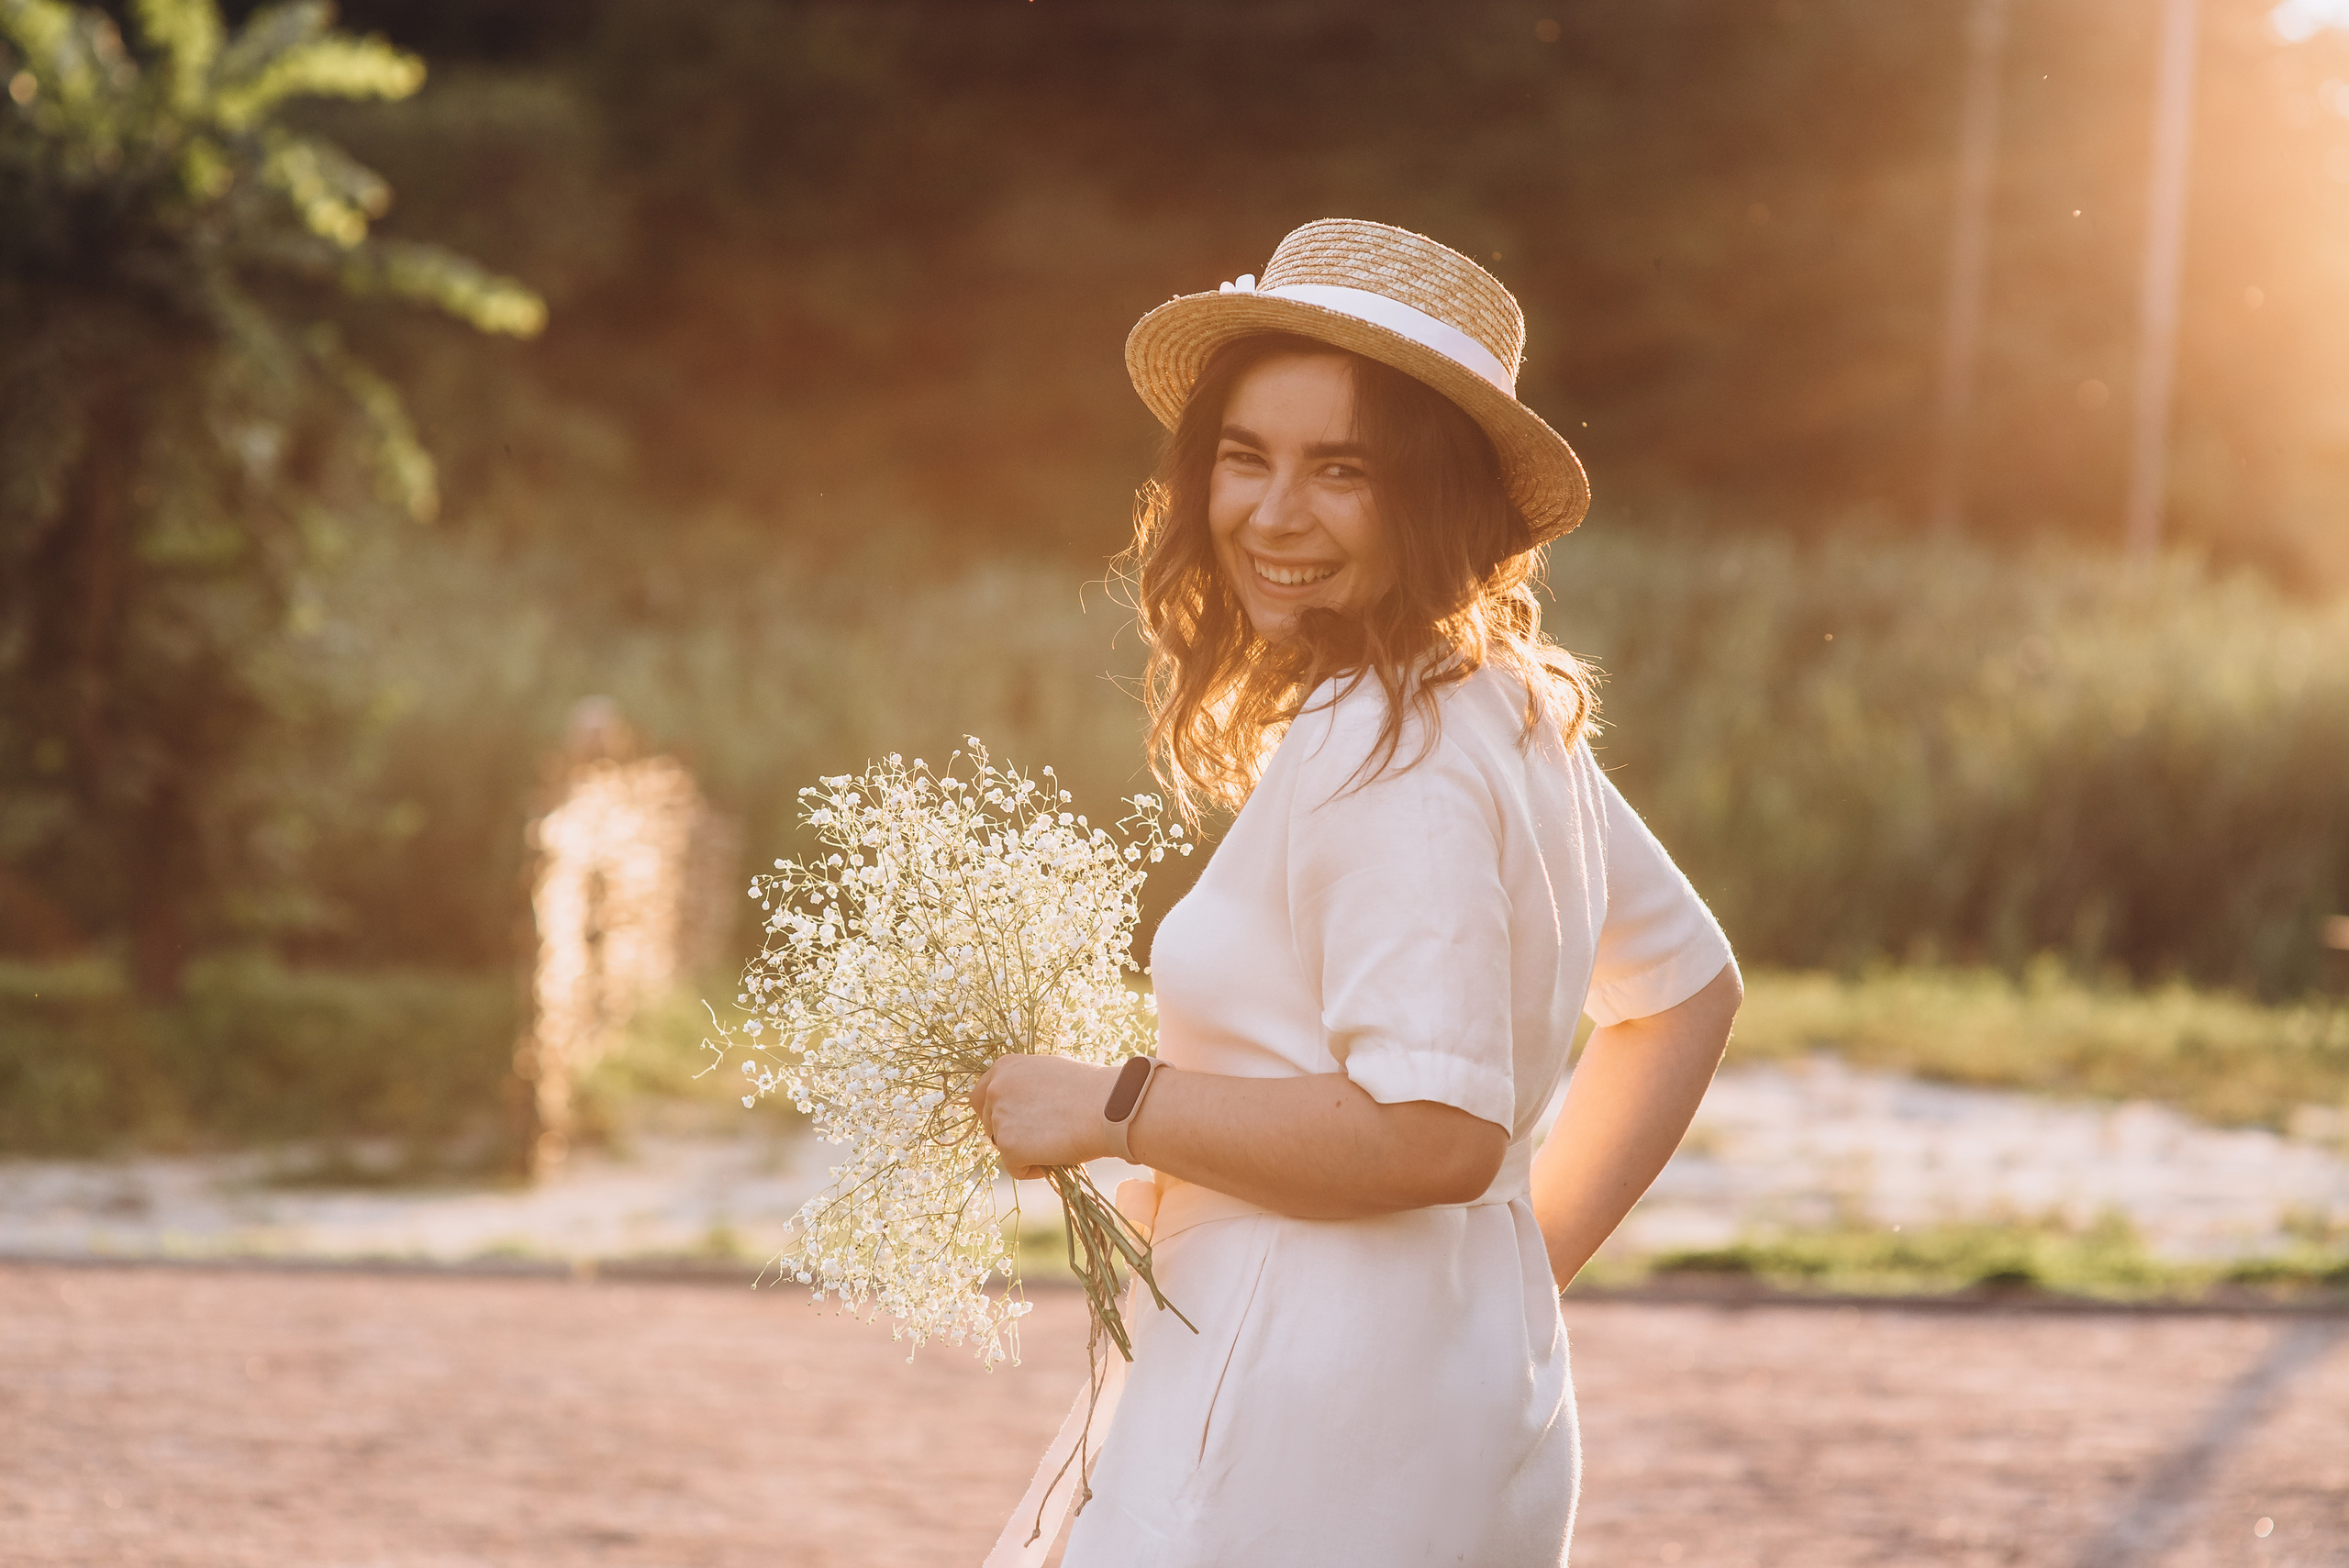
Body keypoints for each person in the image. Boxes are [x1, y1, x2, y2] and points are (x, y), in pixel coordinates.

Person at [971, 217, 1741, 1568]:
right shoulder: (1499, 707)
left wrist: (1111, 1104)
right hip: (1445, 1395)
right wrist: (1507, 1274)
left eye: (1343, 470)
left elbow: (1432, 1131)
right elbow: (1686, 993)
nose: (1273, 513)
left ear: (1437, 493)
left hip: (1294, 1422)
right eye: (1244, 457)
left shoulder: (1389, 741)